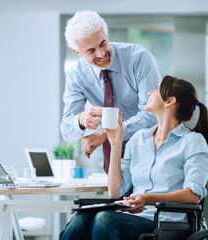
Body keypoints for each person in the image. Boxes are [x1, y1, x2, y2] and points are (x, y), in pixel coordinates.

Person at [61, 75, 208, 240]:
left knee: (104, 220)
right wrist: (116, 143)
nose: (149, 93)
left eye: (156, 89)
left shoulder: (192, 142)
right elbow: (115, 192)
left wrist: (147, 199)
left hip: (165, 223)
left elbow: (193, 195)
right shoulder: (139, 139)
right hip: (131, 217)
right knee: (79, 220)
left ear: (169, 101)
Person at [61, 10, 161, 172]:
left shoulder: (138, 58)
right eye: (91, 50)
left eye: (102, 43)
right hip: (116, 161)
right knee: (116, 196)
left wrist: (105, 134)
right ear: (77, 52)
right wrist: (80, 119)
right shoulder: (76, 75)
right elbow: (67, 131)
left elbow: (153, 116)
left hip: (151, 151)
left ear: (107, 35)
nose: (101, 54)